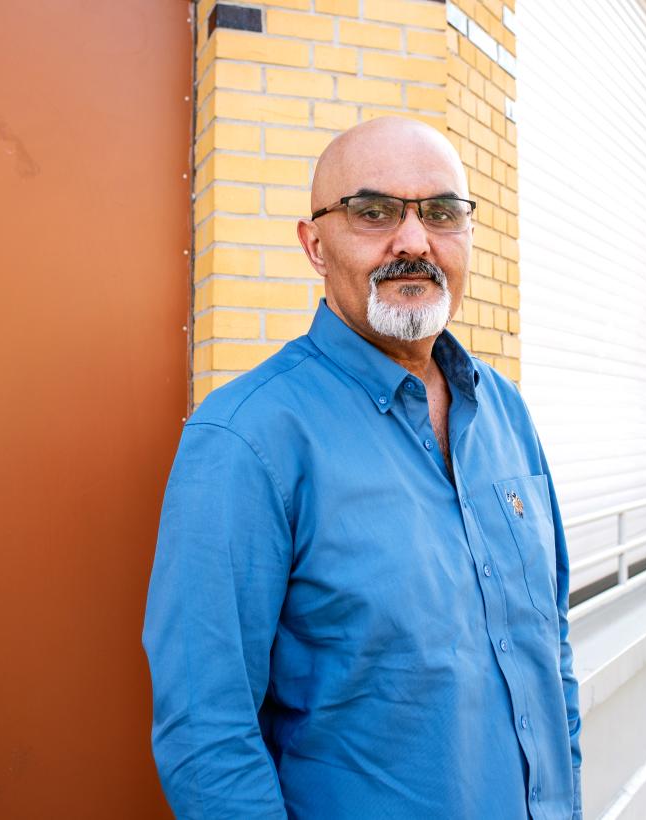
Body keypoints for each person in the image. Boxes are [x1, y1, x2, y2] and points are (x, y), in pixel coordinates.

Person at [143, 116, 582, 819]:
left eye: (442, 212)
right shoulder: (246, 440)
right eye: (373, 212)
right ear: (315, 245)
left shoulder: (507, 415)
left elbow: (548, 649)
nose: (414, 240)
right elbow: (206, 731)